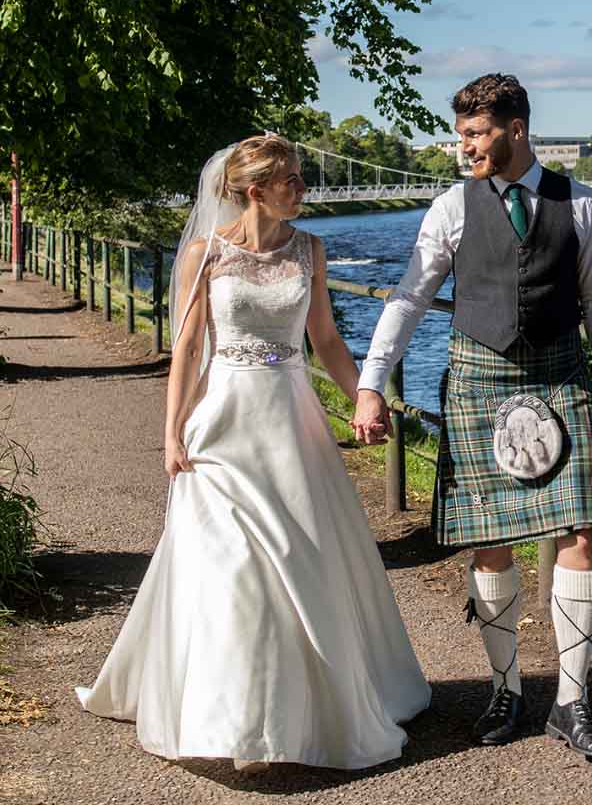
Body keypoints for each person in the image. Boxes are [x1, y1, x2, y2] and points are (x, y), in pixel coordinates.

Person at [77, 135, 430, 771]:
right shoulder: (203, 254)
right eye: (291, 180)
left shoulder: (311, 250)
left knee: (300, 560)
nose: (303, 189)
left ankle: (301, 708)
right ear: (253, 189)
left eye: (301, 177)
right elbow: (186, 349)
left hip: (291, 423)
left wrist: (364, 400)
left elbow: (323, 337)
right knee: (233, 568)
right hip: (224, 423)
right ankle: (240, 725)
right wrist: (172, 431)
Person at [351, 75, 592, 761]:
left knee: (583, 530)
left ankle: (573, 703)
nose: (466, 148)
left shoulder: (581, 205)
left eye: (476, 135)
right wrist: (370, 384)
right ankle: (507, 689)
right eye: (462, 136)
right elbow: (408, 298)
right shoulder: (451, 206)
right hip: (480, 380)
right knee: (491, 541)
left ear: (516, 130)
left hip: (562, 376)